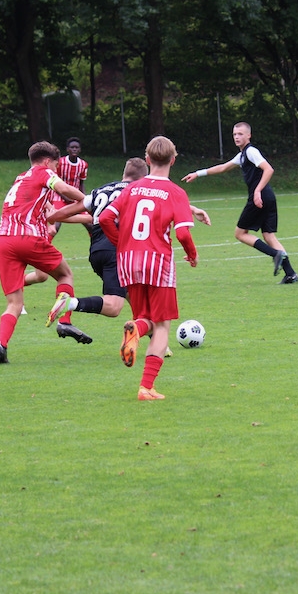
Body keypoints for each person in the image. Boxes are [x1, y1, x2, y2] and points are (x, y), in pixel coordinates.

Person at [40, 157, 211, 327]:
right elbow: (160, 200)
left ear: (124, 173)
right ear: (143, 177)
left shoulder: (100, 191)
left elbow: (68, 212)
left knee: (137, 301)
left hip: (96, 251)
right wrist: (193, 209)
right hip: (118, 250)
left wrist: (52, 216)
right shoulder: (135, 190)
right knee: (114, 306)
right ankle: (70, 303)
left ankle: (144, 333)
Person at [98, 136, 199, 400]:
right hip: (157, 262)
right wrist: (192, 255)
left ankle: (136, 329)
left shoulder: (131, 189)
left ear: (147, 159)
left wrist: (121, 243)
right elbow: (183, 234)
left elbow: (105, 217)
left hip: (128, 261)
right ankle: (146, 387)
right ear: (173, 160)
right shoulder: (176, 192)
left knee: (147, 319)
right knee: (162, 325)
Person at [0, 140, 91, 365]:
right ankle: (65, 321)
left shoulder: (21, 179)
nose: (56, 170)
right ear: (48, 162)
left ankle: (1, 344)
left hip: (3, 240)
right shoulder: (43, 173)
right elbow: (64, 189)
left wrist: (87, 217)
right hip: (26, 237)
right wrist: (88, 201)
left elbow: (50, 214)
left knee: (15, 303)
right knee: (65, 274)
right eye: (56, 166)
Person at [182, 121, 298, 284]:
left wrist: (257, 191)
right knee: (268, 235)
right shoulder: (243, 155)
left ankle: (275, 254)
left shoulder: (251, 151)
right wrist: (198, 173)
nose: (237, 137)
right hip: (268, 196)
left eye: (240, 134)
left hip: (260, 197)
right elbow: (223, 168)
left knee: (240, 234)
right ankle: (290, 274)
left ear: (249, 135)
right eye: (234, 134)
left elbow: (269, 169)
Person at [48, 136, 89, 210]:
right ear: (67, 149)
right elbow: (54, 182)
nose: (74, 149)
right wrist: (65, 197)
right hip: (59, 195)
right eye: (72, 147)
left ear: (80, 149)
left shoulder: (83, 164)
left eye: (76, 147)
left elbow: (81, 183)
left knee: (87, 216)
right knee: (57, 214)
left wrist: (84, 198)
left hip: (75, 196)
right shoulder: (60, 162)